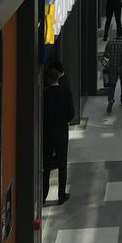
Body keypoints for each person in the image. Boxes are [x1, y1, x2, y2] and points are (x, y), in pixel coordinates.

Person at [43, 66, 74, 204]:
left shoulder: (45, 94)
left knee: (46, 164)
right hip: (61, 132)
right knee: (62, 164)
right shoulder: (65, 92)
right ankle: (61, 195)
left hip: (48, 132)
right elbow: (71, 113)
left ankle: (43, 194)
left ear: (48, 80)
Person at [102, 26, 122, 113]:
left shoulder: (110, 42)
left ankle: (111, 99)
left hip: (112, 67)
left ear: (116, 33)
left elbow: (105, 55)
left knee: (112, 85)